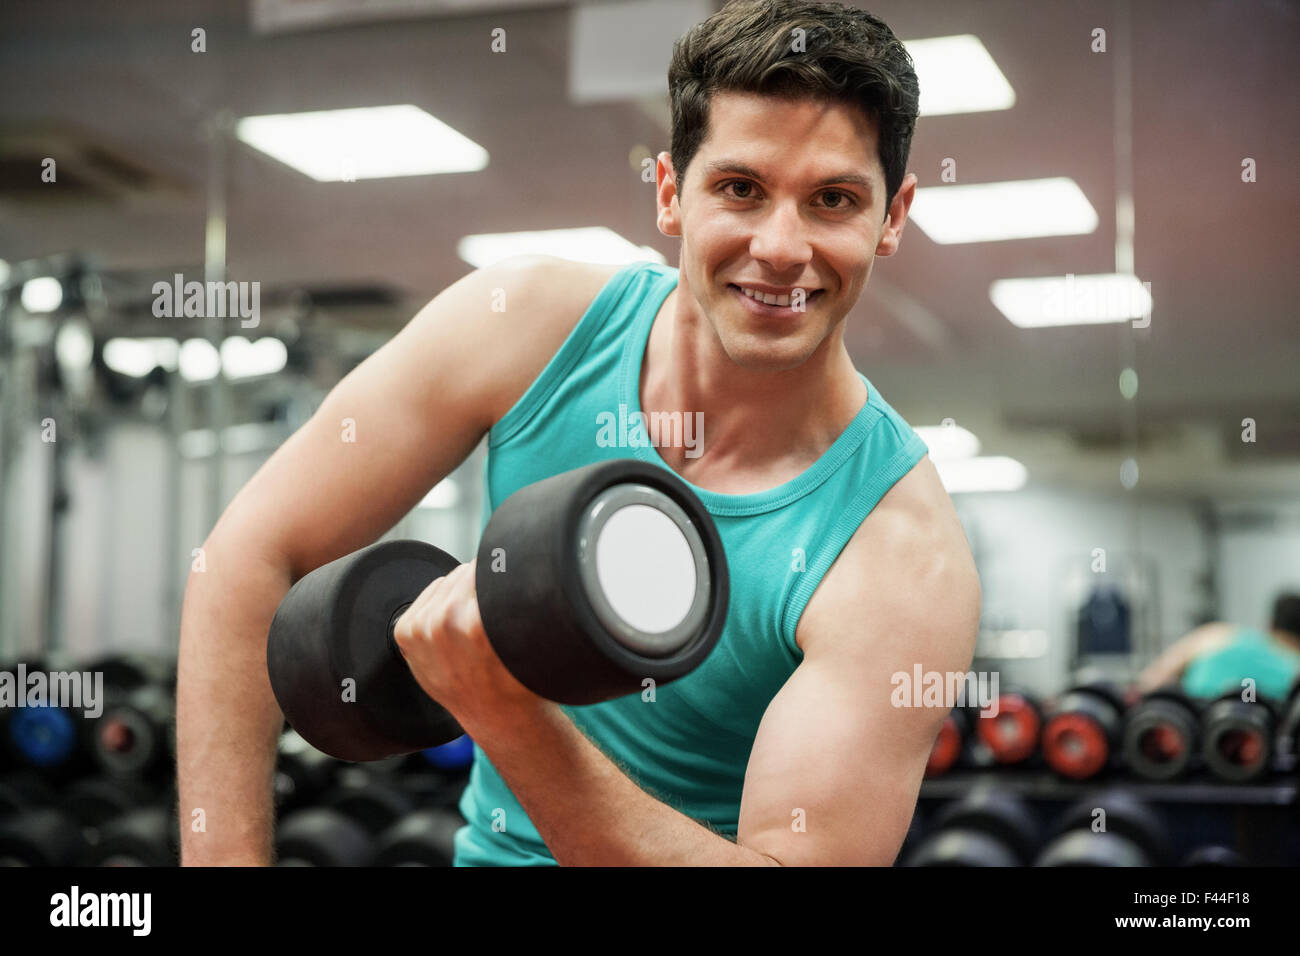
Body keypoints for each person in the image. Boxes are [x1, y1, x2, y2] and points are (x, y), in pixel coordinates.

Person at [177, 0, 980, 866]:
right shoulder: (522, 325)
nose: (781, 247)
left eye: (833, 200)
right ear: (672, 193)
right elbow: (246, 558)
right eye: (740, 189)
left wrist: (508, 715)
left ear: (891, 217)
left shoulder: (900, 555)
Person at [1138, 592, 1300, 702]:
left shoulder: (1218, 634)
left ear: (1270, 624)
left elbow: (1151, 681)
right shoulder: (1295, 668)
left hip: (1195, 730)